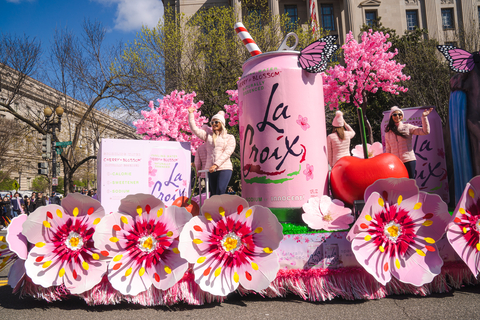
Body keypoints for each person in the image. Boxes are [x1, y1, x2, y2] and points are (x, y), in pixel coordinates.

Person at [188, 108, 236, 196]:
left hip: (224, 168)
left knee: (220, 190)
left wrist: (216, 165)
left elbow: (227, 152)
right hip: (211, 169)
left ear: (222, 123)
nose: (214, 124)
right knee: (213, 194)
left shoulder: (230, 137)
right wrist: (191, 114)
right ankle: (214, 210)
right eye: (212, 122)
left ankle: (222, 210)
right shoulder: (208, 136)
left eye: (216, 122)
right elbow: (194, 129)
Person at [384, 106, 433, 179]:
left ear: (402, 117)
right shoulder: (388, 132)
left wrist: (424, 117)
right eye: (395, 114)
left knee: (410, 181)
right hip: (396, 162)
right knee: (398, 182)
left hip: (408, 160)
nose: (397, 116)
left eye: (400, 114)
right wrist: (388, 162)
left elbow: (425, 131)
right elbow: (388, 149)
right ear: (391, 116)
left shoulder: (407, 127)